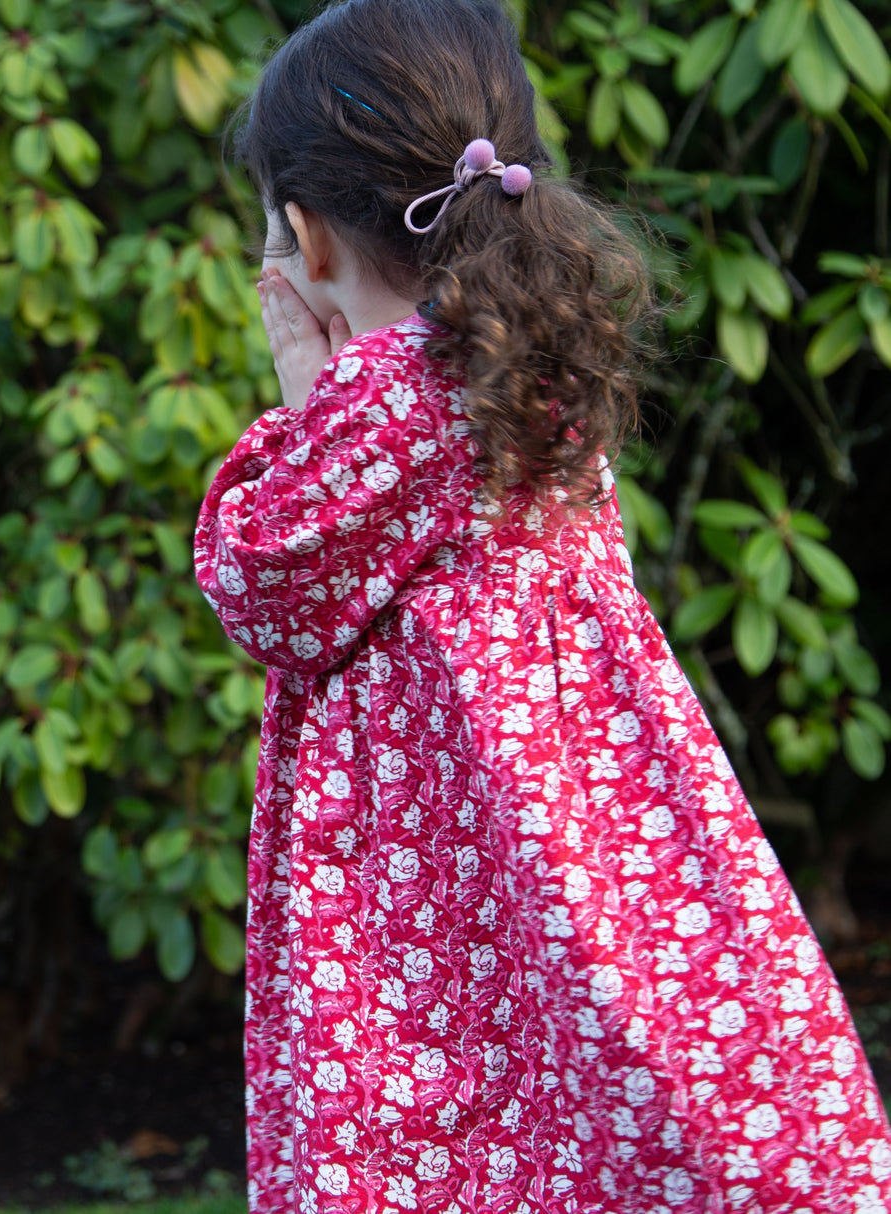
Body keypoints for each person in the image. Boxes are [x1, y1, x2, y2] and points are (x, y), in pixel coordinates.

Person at [191, 0, 891, 1210]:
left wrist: (302, 401)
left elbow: (261, 579)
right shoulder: (522, 365)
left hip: (435, 903)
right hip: (566, 855)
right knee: (594, 1118)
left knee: (438, 1134)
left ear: (302, 235)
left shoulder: (387, 404)